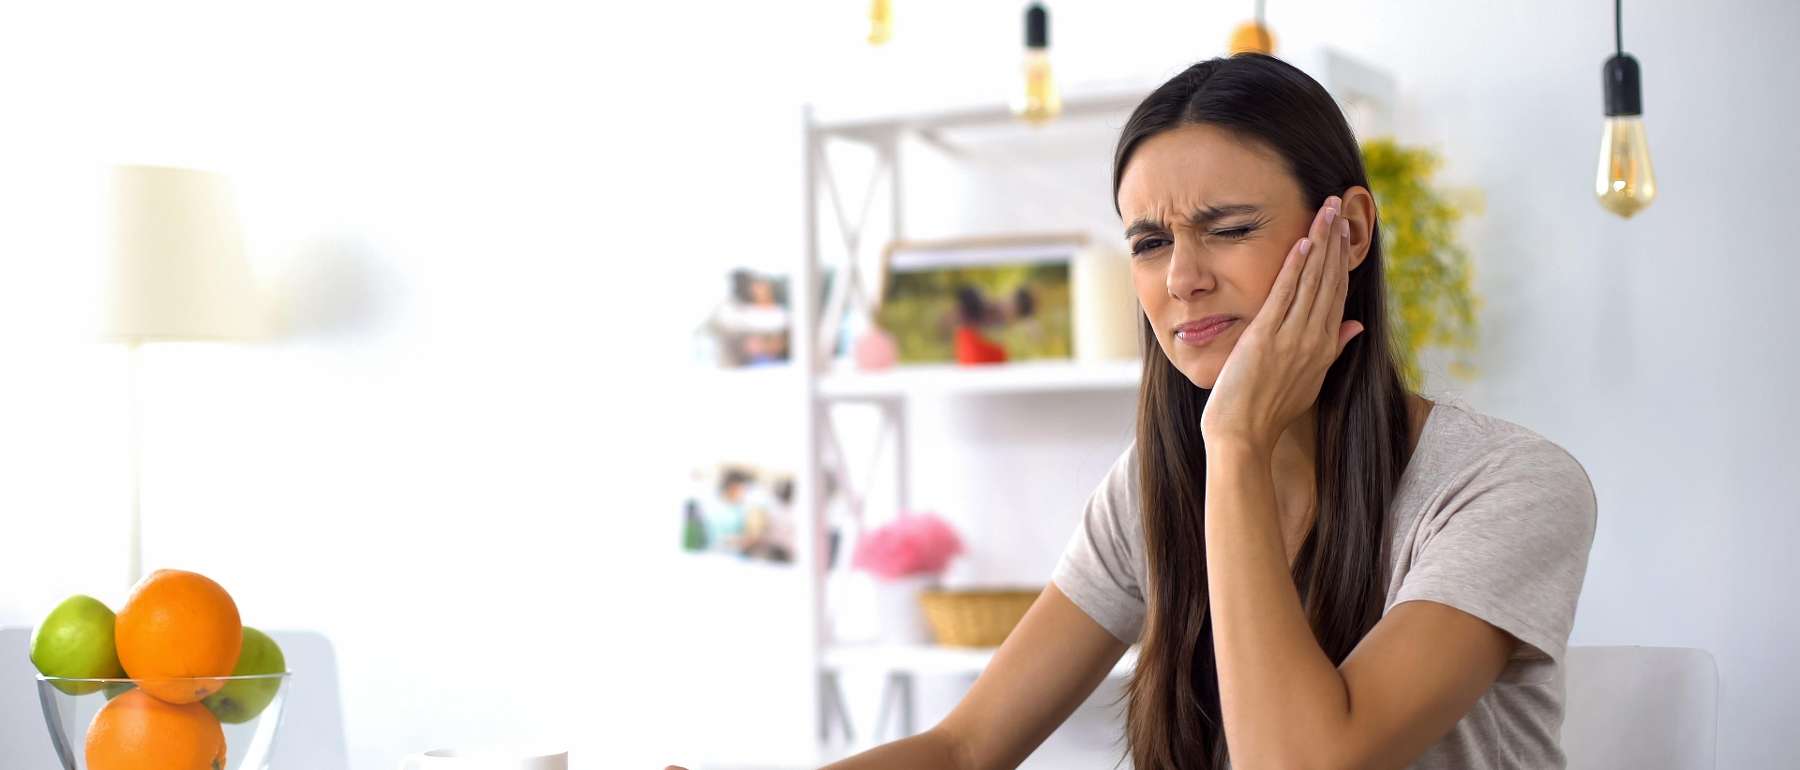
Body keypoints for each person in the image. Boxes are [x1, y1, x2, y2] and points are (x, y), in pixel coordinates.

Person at [669, 53, 1596, 770]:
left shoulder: (1507, 485)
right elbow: (966, 749)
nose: (1183, 280)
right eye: (1150, 243)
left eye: (1229, 230)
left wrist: (1233, 440)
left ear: (1347, 231)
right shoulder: (1151, 489)